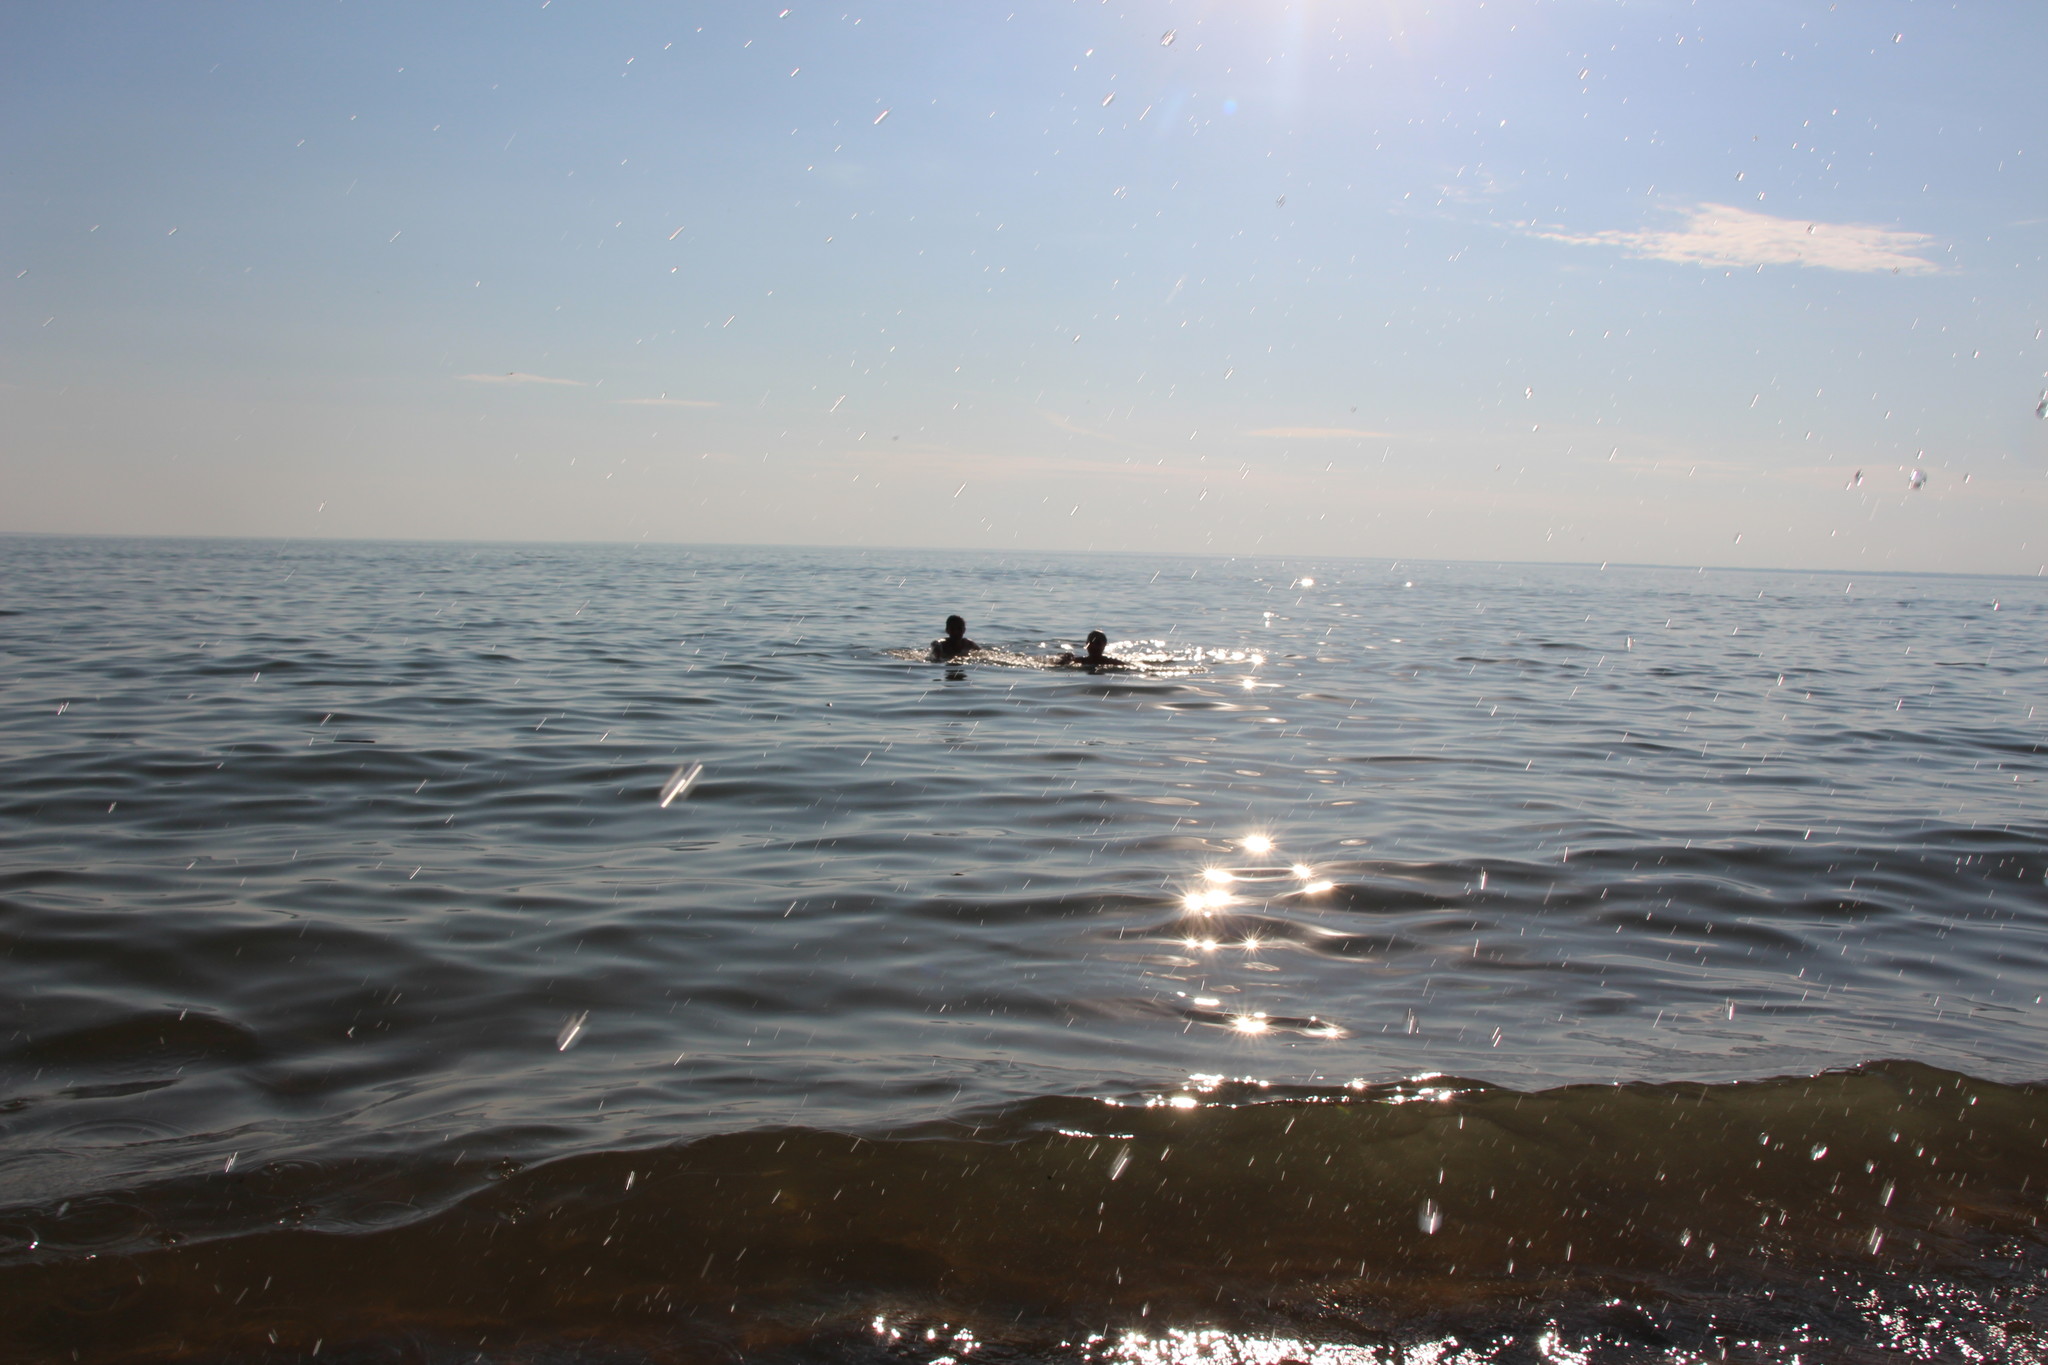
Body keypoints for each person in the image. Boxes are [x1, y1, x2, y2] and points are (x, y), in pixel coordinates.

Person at [1054, 630, 1127, 670]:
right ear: (1086, 645)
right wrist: (1064, 660)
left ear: (1104, 645)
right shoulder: (1078, 661)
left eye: (1097, 643)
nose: (1094, 646)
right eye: (1091, 643)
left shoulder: (1114, 663)